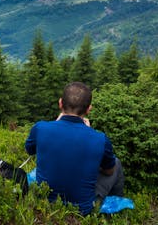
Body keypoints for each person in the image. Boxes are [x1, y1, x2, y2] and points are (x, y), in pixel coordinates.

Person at [24, 82, 124, 215]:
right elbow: (109, 171)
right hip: (82, 209)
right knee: (115, 163)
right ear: (89, 109)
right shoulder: (100, 139)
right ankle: (114, 212)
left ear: (60, 103)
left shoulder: (40, 128)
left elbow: (30, 150)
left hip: (43, 200)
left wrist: (56, 124)